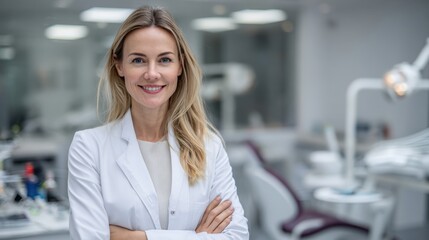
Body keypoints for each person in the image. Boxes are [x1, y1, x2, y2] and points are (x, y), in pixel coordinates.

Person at [67, 5, 249, 240]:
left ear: (180, 66)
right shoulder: (89, 147)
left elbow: (236, 236)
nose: (152, 73)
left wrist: (135, 237)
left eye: (164, 60)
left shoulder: (209, 147)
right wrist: (197, 236)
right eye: (138, 60)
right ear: (119, 66)